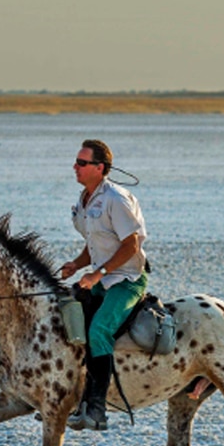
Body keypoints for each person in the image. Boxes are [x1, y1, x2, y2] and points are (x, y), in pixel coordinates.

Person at [59, 139, 148, 431]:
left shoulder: (116, 199)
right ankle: (74, 400)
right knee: (66, 319)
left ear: (100, 168)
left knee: (98, 331)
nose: (76, 167)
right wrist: (77, 264)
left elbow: (131, 245)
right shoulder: (84, 200)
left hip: (126, 280)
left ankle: (97, 411)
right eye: (76, 162)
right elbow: (94, 243)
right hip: (100, 276)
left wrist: (98, 275)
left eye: (82, 163)